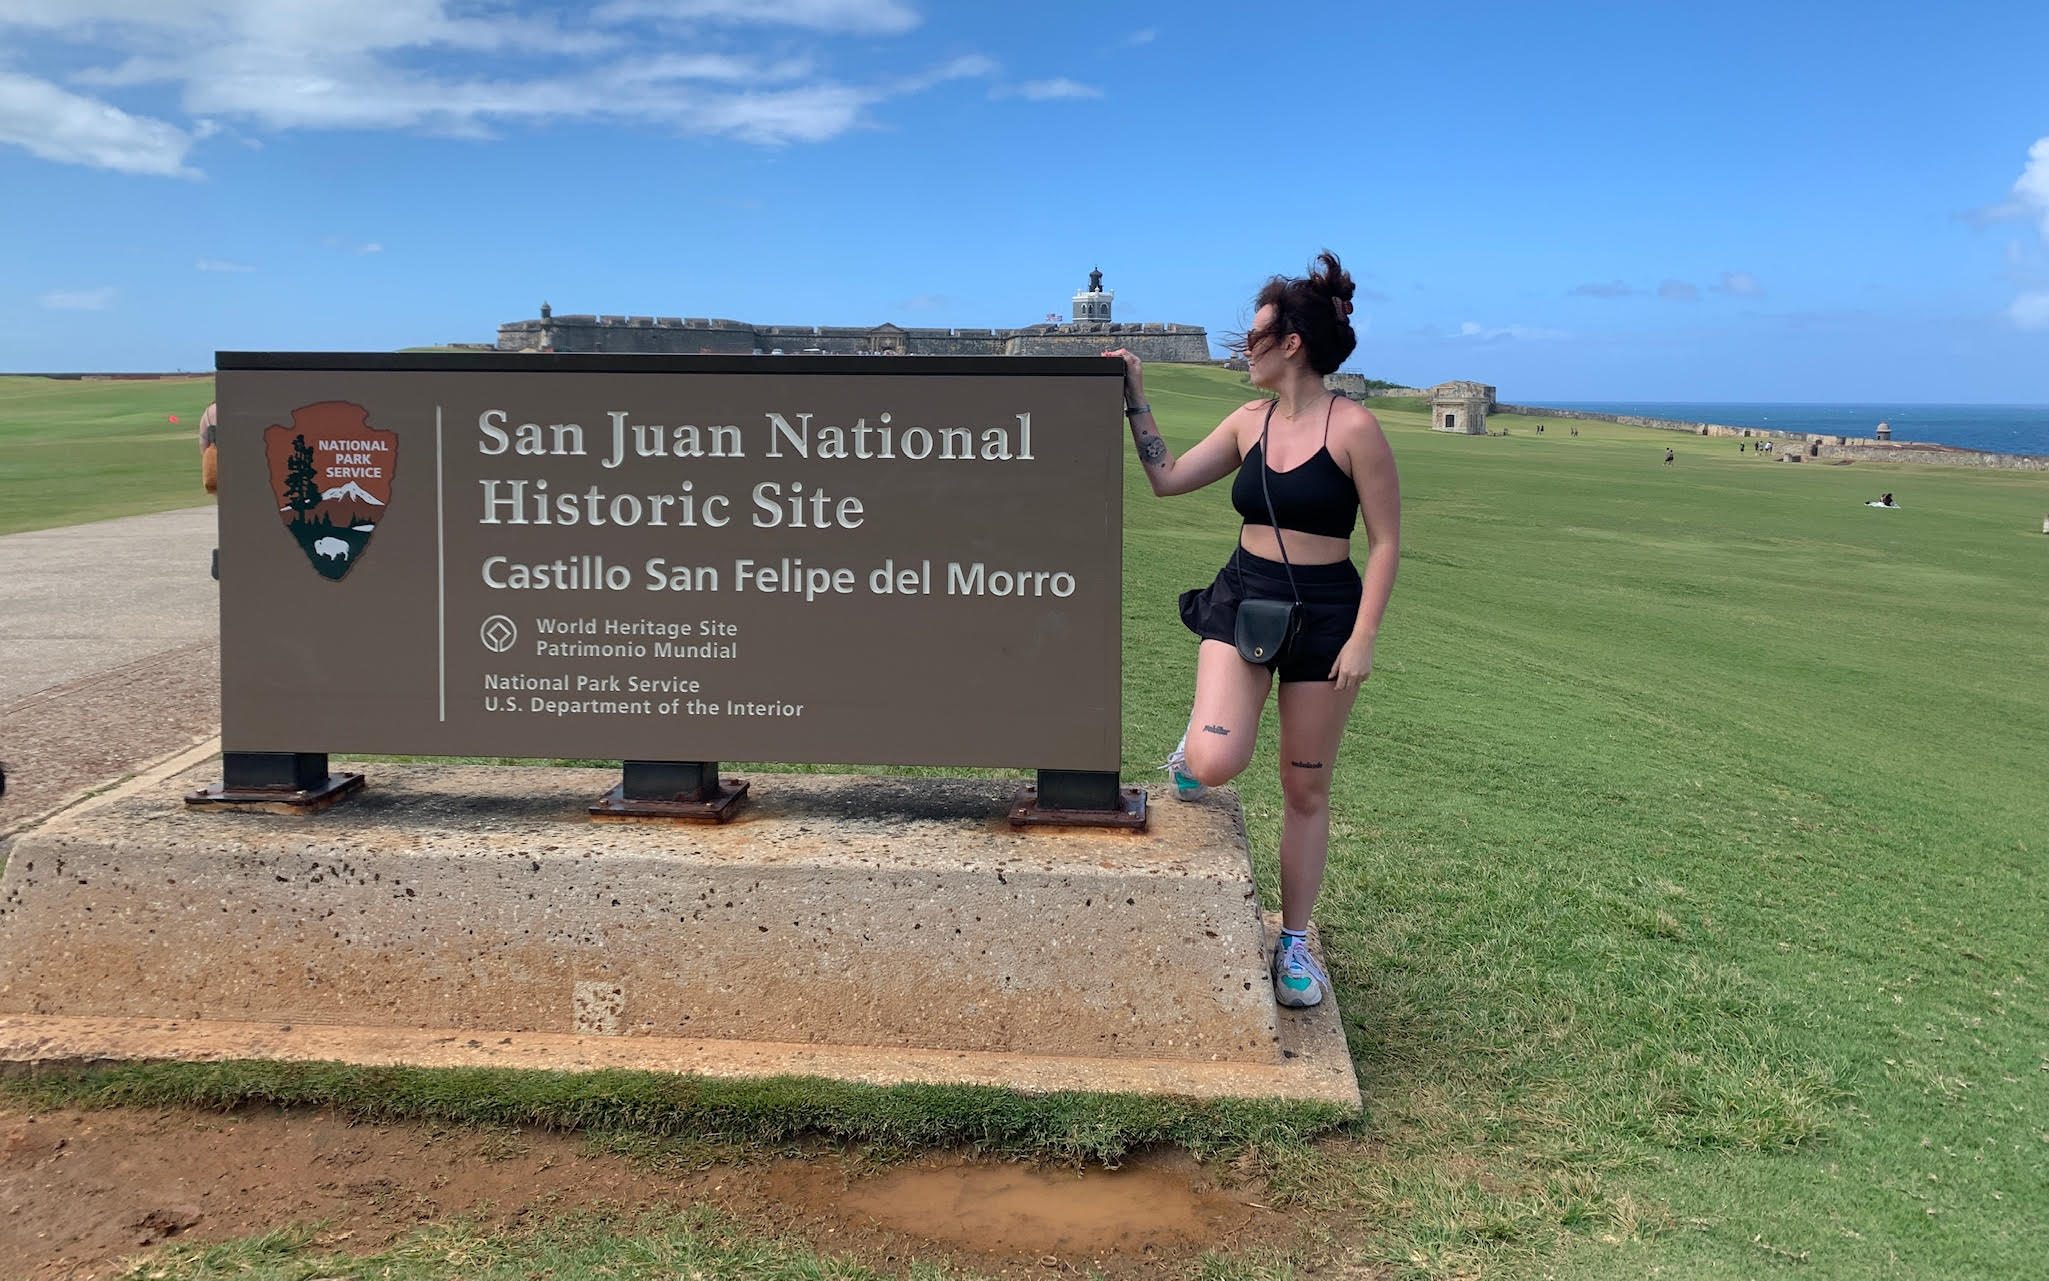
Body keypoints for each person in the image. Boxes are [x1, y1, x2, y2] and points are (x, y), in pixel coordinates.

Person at [1104, 251, 1399, 1010]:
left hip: (1327, 616)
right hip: (1244, 597)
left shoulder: (1355, 428)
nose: (1244, 348)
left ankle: (1293, 943)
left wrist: (1363, 638)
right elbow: (1167, 479)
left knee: (1305, 787)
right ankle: (1191, 746)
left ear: (1291, 343)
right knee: (1213, 762)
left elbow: (1385, 542)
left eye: (1255, 335)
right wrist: (1135, 399)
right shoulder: (1246, 422)